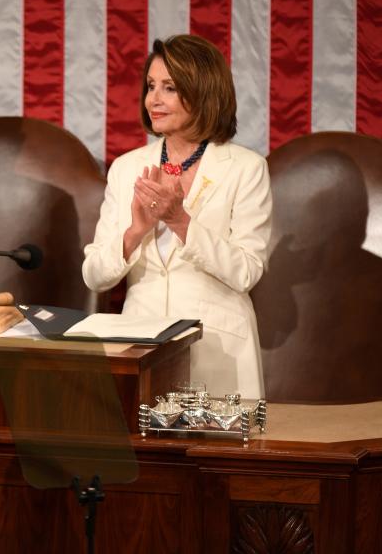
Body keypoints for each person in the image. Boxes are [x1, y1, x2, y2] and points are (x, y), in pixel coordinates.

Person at [82, 34, 272, 398]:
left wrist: (179, 221)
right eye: (151, 86)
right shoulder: (126, 168)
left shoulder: (246, 169)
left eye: (169, 88)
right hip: (142, 351)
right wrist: (135, 232)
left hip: (217, 352)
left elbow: (246, 271)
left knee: (216, 457)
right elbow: (93, 275)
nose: (154, 99)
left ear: (202, 92)